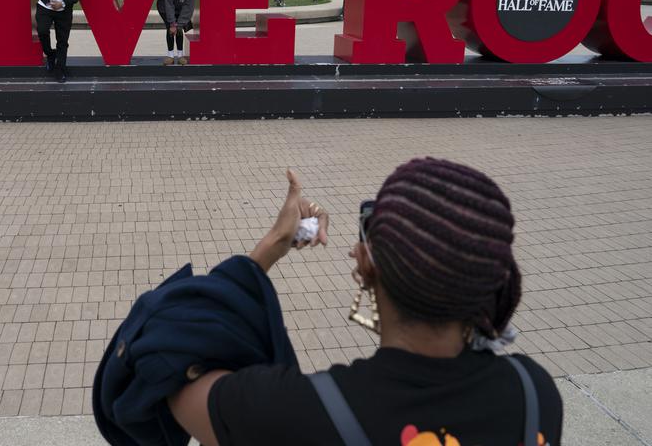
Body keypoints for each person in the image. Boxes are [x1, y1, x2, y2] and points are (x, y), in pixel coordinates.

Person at [167, 158, 563, 446]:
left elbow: (164, 361)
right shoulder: (535, 394)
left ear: (365, 264)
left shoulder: (296, 413)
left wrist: (269, 248)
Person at [158, 0, 196, 65]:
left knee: (179, 29)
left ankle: (180, 56)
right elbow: (169, 4)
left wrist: (179, 24)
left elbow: (189, 6)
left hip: (181, 8)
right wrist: (172, 23)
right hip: (165, 8)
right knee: (170, 29)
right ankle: (170, 56)